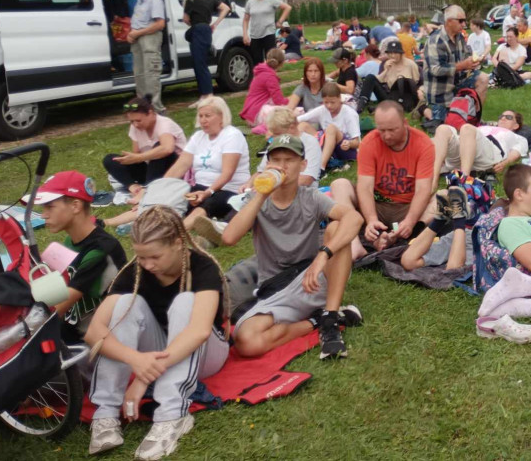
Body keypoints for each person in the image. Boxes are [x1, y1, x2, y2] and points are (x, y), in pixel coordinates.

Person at [86, 207, 228, 459]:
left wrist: (143, 377)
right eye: (141, 257)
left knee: (185, 301)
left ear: (176, 243)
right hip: (159, 350)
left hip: (205, 354)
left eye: (155, 257)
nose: (148, 265)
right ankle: (106, 413)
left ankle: (172, 416)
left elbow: (199, 331)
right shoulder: (136, 272)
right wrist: (135, 359)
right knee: (125, 304)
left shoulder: (202, 266)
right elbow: (94, 332)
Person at [222, 134, 362, 360]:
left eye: (289, 160)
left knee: (337, 229)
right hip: (277, 289)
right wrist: (261, 195)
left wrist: (322, 256)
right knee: (246, 342)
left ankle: (330, 316)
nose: (282, 166)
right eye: (276, 160)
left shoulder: (311, 197)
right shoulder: (257, 201)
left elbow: (354, 219)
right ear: (267, 165)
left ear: (303, 165)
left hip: (312, 279)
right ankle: (317, 321)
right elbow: (229, 238)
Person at [34, 171, 128, 337]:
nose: (43, 215)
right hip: (73, 325)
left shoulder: (101, 249)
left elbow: (58, 307)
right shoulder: (71, 241)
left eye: (50, 207)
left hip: (98, 335)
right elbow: (48, 285)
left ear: (75, 206)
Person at [348, 101, 437, 249]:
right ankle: (355, 242)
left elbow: (423, 190)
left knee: (445, 197)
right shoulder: (369, 143)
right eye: (381, 130)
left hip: (408, 207)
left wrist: (410, 221)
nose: (387, 136)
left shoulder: (423, 144)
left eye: (392, 130)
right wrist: (371, 219)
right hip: (378, 205)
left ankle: (410, 231)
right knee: (339, 186)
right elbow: (365, 187)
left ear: (405, 123)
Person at [165, 96, 251, 225]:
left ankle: (178, 234)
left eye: (208, 116)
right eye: (200, 116)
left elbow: (227, 174)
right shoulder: (198, 137)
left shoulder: (232, 135)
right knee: (169, 200)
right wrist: (161, 187)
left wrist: (207, 192)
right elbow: (181, 165)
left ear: (221, 116)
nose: (203, 120)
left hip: (228, 189)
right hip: (200, 188)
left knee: (205, 206)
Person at [103, 95, 187, 205]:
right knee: (110, 159)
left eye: (138, 120)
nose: (135, 124)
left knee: (158, 149)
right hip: (152, 169)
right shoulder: (135, 127)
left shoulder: (164, 124)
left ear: (151, 113)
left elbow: (167, 148)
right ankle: (134, 187)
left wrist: (139, 157)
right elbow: (137, 153)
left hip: (174, 167)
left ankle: (147, 190)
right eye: (132, 121)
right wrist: (130, 159)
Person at [431, 109, 529, 191]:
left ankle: (463, 181)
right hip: (463, 150)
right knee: (442, 129)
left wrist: (505, 163)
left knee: (467, 128)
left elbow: (517, 152)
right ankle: (433, 180)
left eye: (509, 117)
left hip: (489, 154)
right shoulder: (483, 127)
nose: (503, 118)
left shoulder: (517, 137)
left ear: (516, 125)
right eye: (501, 116)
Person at [422, 4, 488, 122]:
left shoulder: (459, 37)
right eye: (461, 21)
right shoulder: (435, 41)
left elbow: (467, 55)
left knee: (483, 78)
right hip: (440, 94)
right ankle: (425, 109)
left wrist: (475, 60)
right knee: (445, 126)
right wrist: (462, 65)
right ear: (449, 21)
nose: (464, 24)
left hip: (457, 84)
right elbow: (436, 70)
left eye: (465, 21)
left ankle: (475, 118)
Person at [181, 0, 230, 103]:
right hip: (207, 30)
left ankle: (207, 95)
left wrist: (192, 24)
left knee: (199, 64)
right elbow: (226, 8)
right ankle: (205, 95)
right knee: (201, 63)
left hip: (197, 30)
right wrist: (215, 23)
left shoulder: (190, 0)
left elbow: (185, 19)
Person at [297, 83, 361, 171]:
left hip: (346, 150)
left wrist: (349, 144)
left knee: (331, 128)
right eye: (326, 102)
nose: (329, 106)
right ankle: (299, 161)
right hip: (328, 147)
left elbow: (357, 142)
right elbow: (299, 119)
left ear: (339, 98)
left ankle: (320, 168)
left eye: (332, 102)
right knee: (302, 126)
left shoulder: (349, 113)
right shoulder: (322, 110)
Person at [127, 0, 167, 113]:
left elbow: (160, 24)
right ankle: (143, 108)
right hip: (138, 40)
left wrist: (138, 33)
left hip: (149, 39)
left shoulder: (154, 0)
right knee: (139, 74)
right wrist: (131, 34)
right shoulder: (139, 2)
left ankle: (156, 109)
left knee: (151, 74)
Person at [356, 39, 421, 112]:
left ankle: (384, 107)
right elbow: (379, 80)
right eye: (390, 53)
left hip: (406, 97)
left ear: (401, 54)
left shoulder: (410, 64)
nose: (393, 56)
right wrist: (386, 70)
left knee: (401, 80)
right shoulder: (386, 63)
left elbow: (417, 82)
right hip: (391, 96)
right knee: (370, 77)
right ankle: (362, 103)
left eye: (396, 53)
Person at [242, 0, 292, 65]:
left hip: (268, 33)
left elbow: (287, 8)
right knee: (256, 61)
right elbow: (246, 19)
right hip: (255, 35)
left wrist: (280, 21)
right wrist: (245, 34)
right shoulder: (250, 3)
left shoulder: (271, 1)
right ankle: (260, 77)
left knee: (271, 60)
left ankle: (270, 76)